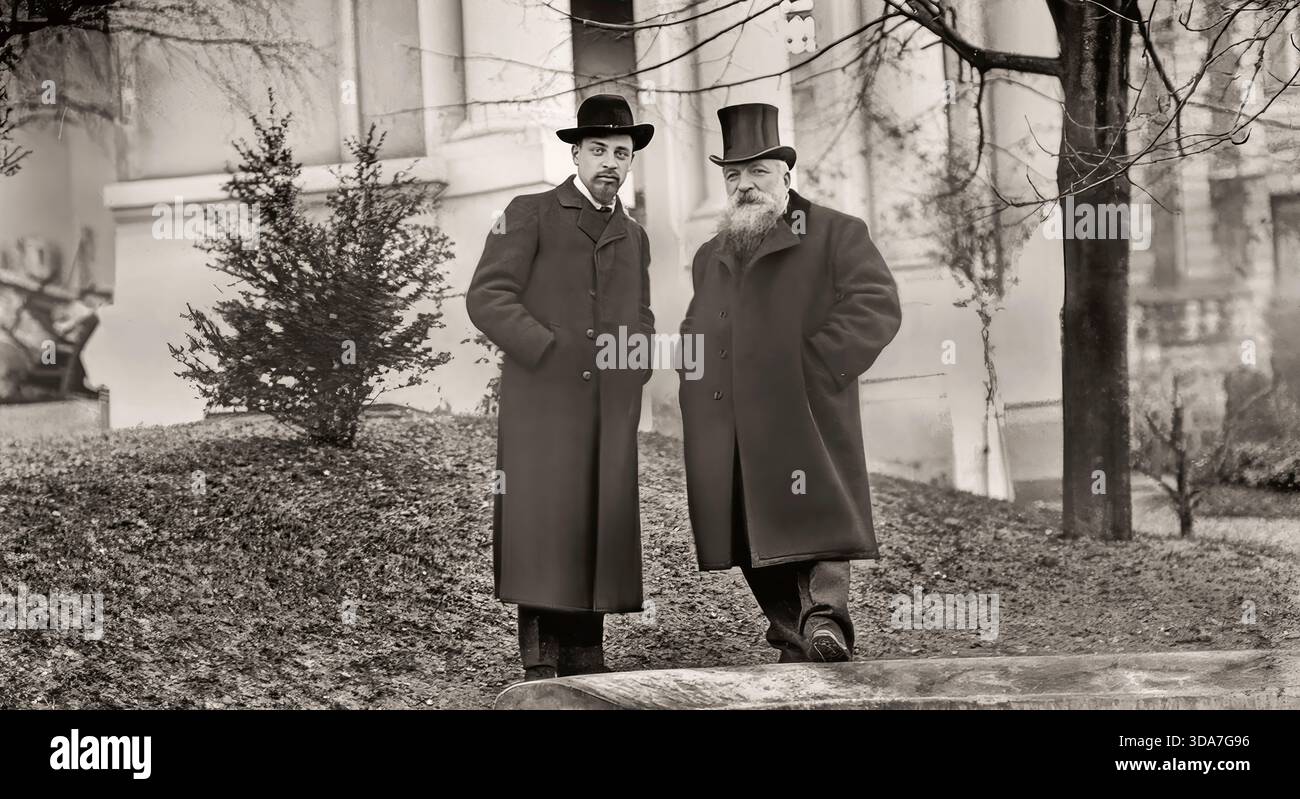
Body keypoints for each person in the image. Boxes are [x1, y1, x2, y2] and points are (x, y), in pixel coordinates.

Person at [678, 103, 902, 663]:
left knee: (817, 516)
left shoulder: (834, 233)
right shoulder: (711, 255)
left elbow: (876, 306)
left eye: (757, 171)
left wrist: (817, 367)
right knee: (749, 532)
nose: (744, 185)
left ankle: (826, 620)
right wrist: (694, 379)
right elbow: (696, 324)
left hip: (804, 410)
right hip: (728, 418)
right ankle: (795, 631)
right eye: (733, 175)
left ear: (784, 174)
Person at [466, 94, 655, 680]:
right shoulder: (530, 212)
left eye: (621, 153)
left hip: (608, 409)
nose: (610, 162)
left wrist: (635, 364)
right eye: (598, 149)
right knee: (545, 523)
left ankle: (586, 658)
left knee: (595, 522)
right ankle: (542, 663)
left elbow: (642, 316)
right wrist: (546, 347)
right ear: (575, 153)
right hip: (544, 405)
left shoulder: (635, 235)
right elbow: (488, 297)